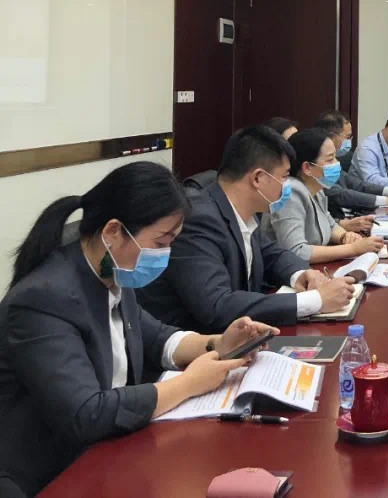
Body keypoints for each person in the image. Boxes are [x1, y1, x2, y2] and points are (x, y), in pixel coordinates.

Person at [0, 162, 279, 496]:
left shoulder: (111, 271)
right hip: (48, 474)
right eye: (160, 243)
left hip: (106, 452)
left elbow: (155, 337)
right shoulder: (43, 300)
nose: (166, 255)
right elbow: (87, 413)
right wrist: (188, 384)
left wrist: (219, 343)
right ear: (113, 232)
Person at [138, 126, 356, 333]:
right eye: (283, 177)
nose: (287, 185)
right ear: (258, 178)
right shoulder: (199, 219)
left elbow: (272, 254)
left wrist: (302, 274)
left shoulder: (242, 211)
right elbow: (217, 305)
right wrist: (315, 300)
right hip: (199, 347)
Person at [262, 128, 385, 264]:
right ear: (307, 168)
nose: (337, 163)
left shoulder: (316, 187)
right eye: (330, 159)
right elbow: (296, 251)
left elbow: (330, 225)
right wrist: (353, 249)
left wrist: (345, 236)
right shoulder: (291, 193)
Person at [315, 111, 388, 215]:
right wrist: (387, 201)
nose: (350, 140)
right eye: (348, 137)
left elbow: (357, 184)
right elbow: (340, 194)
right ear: (331, 136)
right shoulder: (316, 163)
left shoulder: (332, 162)